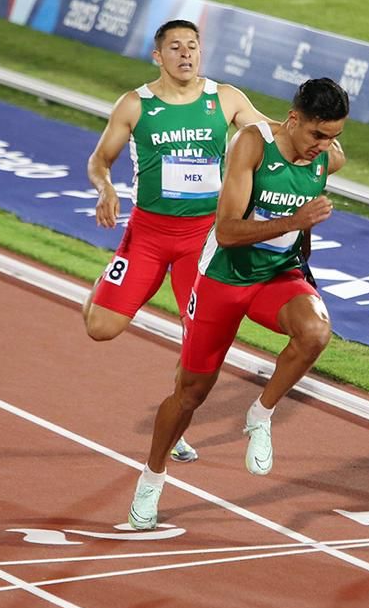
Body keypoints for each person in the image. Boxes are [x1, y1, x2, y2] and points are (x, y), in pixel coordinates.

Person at [126, 77, 349, 530]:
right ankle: (151, 478)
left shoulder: (328, 157)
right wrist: (296, 220)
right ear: (293, 120)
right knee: (191, 394)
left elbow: (314, 177)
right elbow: (226, 231)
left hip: (277, 276)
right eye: (317, 135)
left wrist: (299, 233)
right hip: (224, 278)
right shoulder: (251, 146)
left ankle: (260, 414)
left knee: (316, 332)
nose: (324, 146)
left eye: (334, 137)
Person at [84, 19, 270, 465]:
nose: (186, 54)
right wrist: (105, 188)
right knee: (100, 328)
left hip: (203, 241)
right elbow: (99, 160)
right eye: (175, 47)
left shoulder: (224, 99)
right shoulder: (135, 105)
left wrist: (308, 131)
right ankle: (102, 288)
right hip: (147, 236)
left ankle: (177, 424)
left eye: (192, 46)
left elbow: (270, 134)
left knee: (196, 345)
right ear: (158, 55)